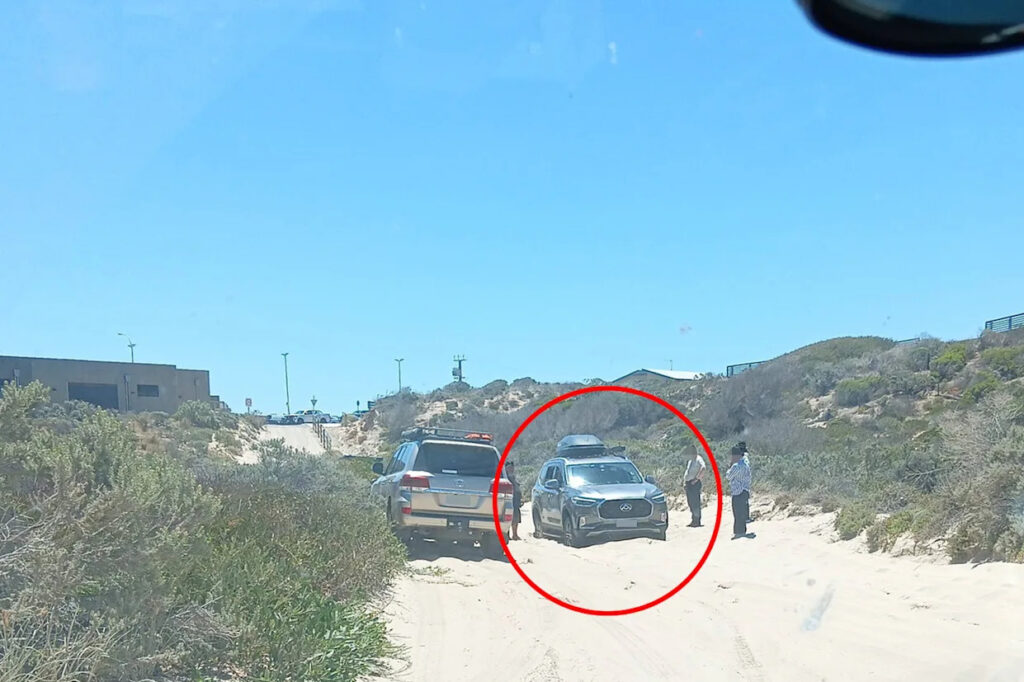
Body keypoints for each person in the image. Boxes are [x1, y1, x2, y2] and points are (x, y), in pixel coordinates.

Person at [726, 443, 755, 540]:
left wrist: (729, 467)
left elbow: (728, 476)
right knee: (742, 512)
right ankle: (742, 530)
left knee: (737, 512)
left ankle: (739, 531)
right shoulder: (745, 463)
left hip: (737, 491)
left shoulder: (736, 466)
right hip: (745, 490)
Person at [683, 447, 707, 527]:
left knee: (695, 502)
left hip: (695, 483)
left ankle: (697, 520)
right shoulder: (690, 461)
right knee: (690, 502)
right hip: (689, 483)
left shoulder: (698, 459)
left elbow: (703, 468)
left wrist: (697, 479)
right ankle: (693, 519)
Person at [506, 460, 523, 541]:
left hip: (516, 501)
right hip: (508, 500)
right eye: (509, 468)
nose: (511, 469)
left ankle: (515, 535)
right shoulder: (505, 477)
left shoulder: (513, 477)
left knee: (515, 519)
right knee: (507, 518)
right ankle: (507, 535)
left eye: (512, 468)